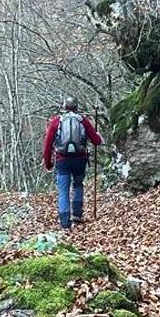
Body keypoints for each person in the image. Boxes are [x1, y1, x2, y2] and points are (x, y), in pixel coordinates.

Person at [43, 97, 103, 229]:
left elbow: (47, 145)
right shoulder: (83, 121)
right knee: (78, 185)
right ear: (77, 107)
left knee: (63, 190)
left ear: (64, 107)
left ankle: (65, 223)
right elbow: (96, 141)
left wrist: (48, 163)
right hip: (80, 160)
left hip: (62, 160)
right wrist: (98, 136)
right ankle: (77, 214)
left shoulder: (56, 122)